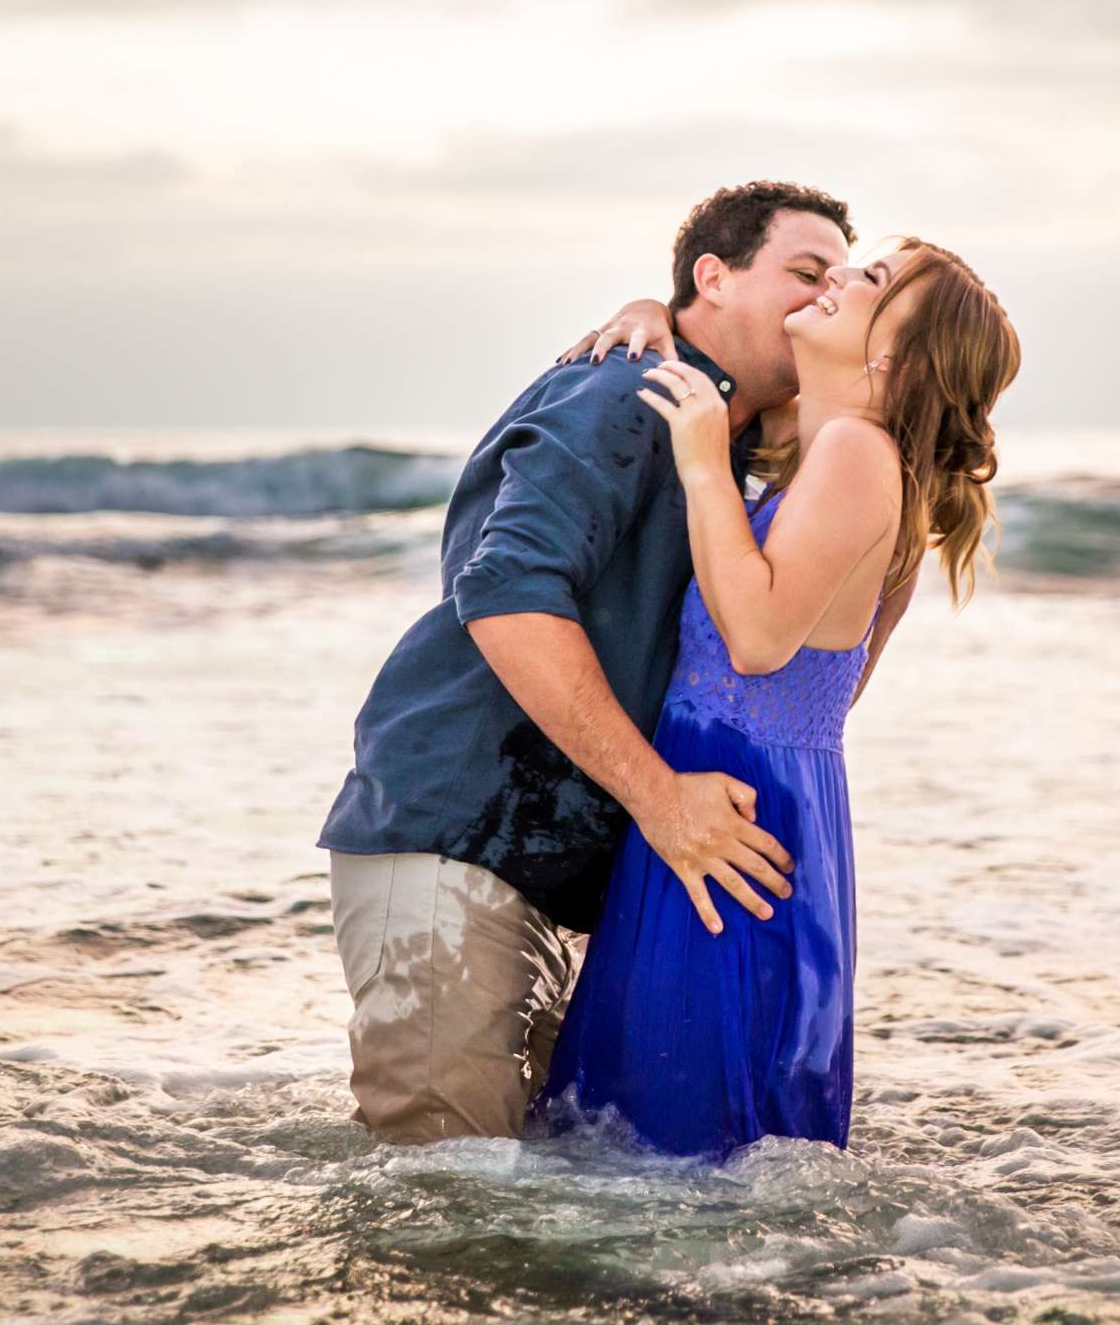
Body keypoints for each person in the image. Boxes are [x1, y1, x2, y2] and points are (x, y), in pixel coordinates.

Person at [316, 180, 866, 1144]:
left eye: (838, 286)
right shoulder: (625, 392)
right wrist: (661, 799)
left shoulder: (738, 448)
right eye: (804, 274)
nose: (823, 298)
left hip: (555, 862)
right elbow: (505, 593)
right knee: (447, 1191)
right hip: (460, 830)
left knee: (526, 1186)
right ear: (714, 277)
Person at [534, 239, 1022, 1158]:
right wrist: (649, 310)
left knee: (670, 1127)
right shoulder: (837, 445)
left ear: (896, 361)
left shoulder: (853, 452)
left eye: (869, 281)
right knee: (689, 1132)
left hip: (731, 800)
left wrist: (702, 462)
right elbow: (832, 686)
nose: (839, 277)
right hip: (763, 791)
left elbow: (758, 641)